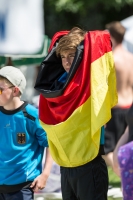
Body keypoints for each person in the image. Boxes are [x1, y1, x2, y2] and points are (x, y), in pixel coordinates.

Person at [34, 27, 118, 200]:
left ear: (82, 55)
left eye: (72, 55)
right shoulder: (56, 84)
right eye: (63, 56)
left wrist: (88, 43)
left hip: (90, 165)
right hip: (66, 167)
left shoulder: (92, 80)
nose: (66, 61)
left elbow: (104, 40)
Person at [0, 66, 53, 200]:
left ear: (15, 90)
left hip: (22, 186)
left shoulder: (32, 116)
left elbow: (51, 144)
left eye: (0, 90)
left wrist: (45, 174)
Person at [102, 21, 133, 170]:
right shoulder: (131, 57)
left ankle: (122, 174)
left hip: (116, 107)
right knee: (127, 145)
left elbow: (105, 88)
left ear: (111, 37)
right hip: (130, 106)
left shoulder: (111, 59)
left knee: (106, 149)